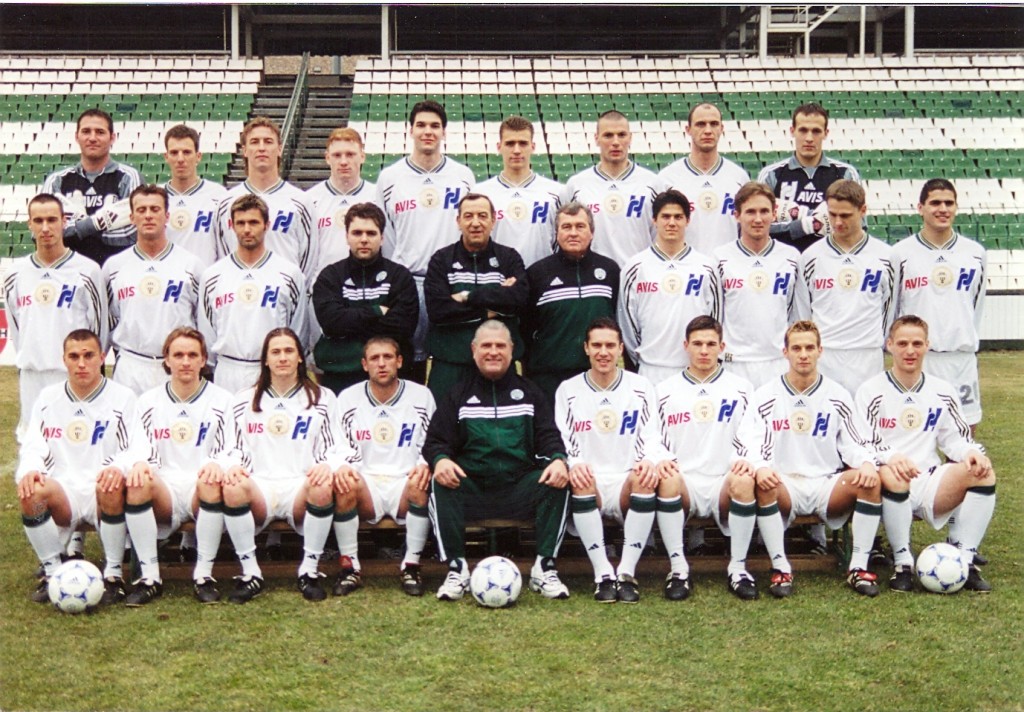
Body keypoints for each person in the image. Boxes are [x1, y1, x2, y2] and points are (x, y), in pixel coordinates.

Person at [425, 320, 571, 601]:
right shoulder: (459, 393)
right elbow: (435, 441)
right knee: (440, 481)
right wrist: (441, 460)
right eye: (486, 346)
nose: (493, 352)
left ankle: (544, 568)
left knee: (557, 481)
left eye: (500, 345)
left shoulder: (529, 393)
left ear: (512, 350)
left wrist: (557, 459)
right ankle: (456, 569)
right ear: (474, 350)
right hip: (473, 489)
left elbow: (549, 436)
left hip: (519, 489)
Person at [212, 328, 360, 603]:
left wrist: (328, 465)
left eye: (289, 351)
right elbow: (228, 447)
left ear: (300, 357)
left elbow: (338, 446)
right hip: (260, 486)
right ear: (265, 360)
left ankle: (309, 571)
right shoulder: (243, 399)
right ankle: (250, 573)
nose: (282, 358)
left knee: (322, 485)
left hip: (299, 487)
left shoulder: (323, 398)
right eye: (276, 352)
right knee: (232, 487)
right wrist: (231, 465)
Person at [739, 320, 883, 597]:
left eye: (809, 348)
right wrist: (760, 467)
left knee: (870, 481)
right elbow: (750, 441)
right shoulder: (766, 395)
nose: (803, 354)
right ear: (785, 352)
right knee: (763, 482)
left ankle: (858, 566)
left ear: (820, 351)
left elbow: (853, 441)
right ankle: (781, 568)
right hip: (784, 484)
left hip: (826, 483)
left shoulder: (838, 395)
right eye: (796, 348)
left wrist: (866, 462)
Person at [856, 315, 995, 593]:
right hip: (887, 482)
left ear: (927, 346)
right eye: (903, 343)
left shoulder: (942, 391)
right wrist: (891, 457)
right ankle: (903, 563)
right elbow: (862, 441)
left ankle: (964, 561)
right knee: (894, 476)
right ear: (889, 345)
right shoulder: (870, 391)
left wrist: (970, 452)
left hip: (930, 481)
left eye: (917, 344)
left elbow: (955, 439)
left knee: (982, 473)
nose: (910, 351)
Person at [117, 328, 243, 605]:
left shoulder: (223, 400)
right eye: (178, 355)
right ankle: (150, 578)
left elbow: (233, 448)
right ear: (167, 359)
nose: (185, 361)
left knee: (210, 481)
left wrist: (217, 463)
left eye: (192, 355)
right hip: (165, 489)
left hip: (202, 489)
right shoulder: (148, 402)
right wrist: (140, 463)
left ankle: (203, 576)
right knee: (137, 482)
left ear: (203, 360)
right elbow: (137, 448)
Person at [555, 318, 675, 603]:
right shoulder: (568, 390)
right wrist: (575, 462)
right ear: (586, 348)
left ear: (621, 348)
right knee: (581, 478)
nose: (603, 352)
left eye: (610, 345)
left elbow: (652, 434)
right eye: (596, 345)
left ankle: (626, 572)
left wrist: (649, 460)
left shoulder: (641, 386)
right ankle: (603, 574)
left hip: (625, 479)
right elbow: (564, 437)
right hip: (592, 481)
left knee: (645, 477)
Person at [15, 329, 137, 604]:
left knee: (111, 484)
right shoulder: (48, 398)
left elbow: (134, 448)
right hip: (65, 490)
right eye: (74, 357)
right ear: (64, 360)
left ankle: (114, 575)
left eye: (88, 355)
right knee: (31, 491)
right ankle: (53, 573)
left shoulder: (123, 397)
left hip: (103, 490)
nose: (81, 363)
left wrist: (118, 468)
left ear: (102, 358)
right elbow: (34, 445)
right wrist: (31, 469)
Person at [656, 316, 759, 600]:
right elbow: (654, 437)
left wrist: (747, 458)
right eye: (698, 343)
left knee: (744, 480)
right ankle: (678, 569)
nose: (704, 350)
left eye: (711, 344)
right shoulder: (664, 390)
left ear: (722, 347)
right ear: (686, 346)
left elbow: (753, 433)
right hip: (685, 482)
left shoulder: (742, 388)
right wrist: (661, 458)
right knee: (667, 479)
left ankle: (738, 569)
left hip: (722, 481)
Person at [376, 100, 475, 381]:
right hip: (408, 281)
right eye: (421, 125)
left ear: (444, 132)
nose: (427, 131)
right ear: (410, 130)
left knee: (453, 359)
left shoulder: (463, 176)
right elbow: (385, 234)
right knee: (410, 362)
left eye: (434, 126)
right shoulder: (390, 178)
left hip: (451, 282)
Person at [334, 337, 437, 596]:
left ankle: (411, 565)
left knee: (420, 482)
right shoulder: (348, 398)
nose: (381, 364)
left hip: (404, 481)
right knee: (344, 484)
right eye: (374, 358)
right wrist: (342, 466)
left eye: (388, 357)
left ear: (399, 361)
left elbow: (432, 441)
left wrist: (424, 464)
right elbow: (338, 444)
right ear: (364, 364)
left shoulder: (421, 396)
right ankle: (350, 567)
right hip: (366, 484)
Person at [3, 193, 106, 442]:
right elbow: (17, 328)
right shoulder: (15, 274)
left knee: (76, 444)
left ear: (63, 221)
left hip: (73, 375)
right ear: (29, 224)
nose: (45, 228)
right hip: (32, 376)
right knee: (35, 447)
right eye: (38, 221)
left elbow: (99, 330)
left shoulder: (87, 271)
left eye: (52, 220)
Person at [891, 179, 986, 430]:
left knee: (964, 432)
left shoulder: (975, 253)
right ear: (920, 208)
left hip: (960, 358)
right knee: (913, 432)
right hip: (919, 358)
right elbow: (894, 310)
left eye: (948, 203)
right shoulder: (900, 254)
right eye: (935, 203)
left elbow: (975, 306)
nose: (942, 209)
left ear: (956, 207)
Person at [424, 193, 528, 402]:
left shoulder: (509, 257)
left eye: (482, 215)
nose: (475, 223)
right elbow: (438, 310)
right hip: (450, 365)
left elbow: (518, 300)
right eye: (468, 216)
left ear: (493, 220)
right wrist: (490, 308)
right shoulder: (441, 259)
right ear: (458, 221)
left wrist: (466, 296)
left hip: (498, 367)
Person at [199, 195, 308, 395]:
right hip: (228, 370)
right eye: (241, 223)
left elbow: (298, 330)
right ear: (231, 226)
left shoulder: (289, 274)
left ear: (267, 225)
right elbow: (207, 332)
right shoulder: (213, 276)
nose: (247, 229)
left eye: (254, 222)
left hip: (273, 371)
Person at [795, 179, 894, 396]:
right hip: (825, 355)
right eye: (832, 214)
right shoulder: (811, 257)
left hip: (867, 356)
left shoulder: (886, 257)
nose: (838, 222)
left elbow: (890, 309)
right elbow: (803, 314)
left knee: (866, 415)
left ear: (863, 211)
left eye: (846, 215)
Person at [103, 185, 203, 394]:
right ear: (132, 217)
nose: (148, 215)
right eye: (141, 210)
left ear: (167, 216)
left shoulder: (191, 265)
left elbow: (201, 320)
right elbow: (108, 320)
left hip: (176, 367)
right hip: (130, 367)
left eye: (155, 209)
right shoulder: (114, 267)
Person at [311, 202, 419, 394]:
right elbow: (331, 322)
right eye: (357, 233)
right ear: (346, 236)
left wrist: (350, 322)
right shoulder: (330, 276)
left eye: (371, 233)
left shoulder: (399, 276)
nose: (363, 239)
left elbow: (403, 326)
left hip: (390, 377)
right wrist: (376, 311)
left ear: (382, 237)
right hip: (341, 374)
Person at [620, 189, 719, 384]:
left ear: (687, 221)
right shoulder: (635, 267)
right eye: (665, 217)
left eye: (678, 217)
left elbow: (715, 320)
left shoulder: (706, 267)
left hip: (695, 370)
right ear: (654, 220)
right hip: (651, 370)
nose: (672, 223)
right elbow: (627, 326)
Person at [522, 202, 620, 401]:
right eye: (566, 227)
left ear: (592, 232)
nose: (573, 233)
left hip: (596, 374)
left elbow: (618, 320)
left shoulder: (610, 270)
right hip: (549, 378)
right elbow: (525, 327)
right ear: (557, 233)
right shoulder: (537, 273)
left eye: (580, 226)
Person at [714, 181, 799, 388]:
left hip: (778, 362)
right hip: (734, 364)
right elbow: (714, 315)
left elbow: (796, 315)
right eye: (750, 212)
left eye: (764, 211)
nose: (758, 219)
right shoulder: (719, 258)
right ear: (737, 215)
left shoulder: (791, 257)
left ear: (774, 214)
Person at [214, 116, 317, 284]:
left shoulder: (301, 202)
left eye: (268, 142)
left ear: (279, 149)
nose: (261, 148)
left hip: (283, 293)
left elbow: (309, 263)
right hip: (239, 290)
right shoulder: (226, 203)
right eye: (254, 142)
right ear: (244, 150)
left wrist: (290, 287)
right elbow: (223, 255)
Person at [562, 110, 668, 267]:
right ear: (596, 139)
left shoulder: (653, 184)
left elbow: (662, 236)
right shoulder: (576, 185)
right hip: (592, 275)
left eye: (622, 135)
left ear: (630, 138)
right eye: (608, 135)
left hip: (639, 274)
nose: (616, 142)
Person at [42, 108, 142, 265]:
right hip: (68, 271)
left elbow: (132, 233)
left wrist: (78, 228)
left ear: (112, 138)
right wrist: (100, 222)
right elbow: (41, 232)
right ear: (77, 136)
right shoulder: (56, 180)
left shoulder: (129, 177)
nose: (93, 138)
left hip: (116, 270)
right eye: (86, 131)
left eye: (100, 132)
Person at [757, 103, 861, 252]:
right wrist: (809, 224)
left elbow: (859, 226)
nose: (809, 138)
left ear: (826, 133)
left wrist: (797, 218)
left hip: (831, 260)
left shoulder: (845, 173)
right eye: (803, 130)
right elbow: (759, 228)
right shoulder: (771, 174)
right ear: (792, 131)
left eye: (816, 131)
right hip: (784, 260)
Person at [659, 103, 750, 254]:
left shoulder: (739, 177)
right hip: (684, 266)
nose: (708, 130)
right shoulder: (667, 178)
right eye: (700, 124)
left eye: (714, 124)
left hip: (728, 265)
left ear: (721, 128)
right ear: (688, 129)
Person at [476, 115, 562, 267]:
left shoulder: (557, 193)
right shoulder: (481, 194)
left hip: (542, 277)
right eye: (510, 144)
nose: (516, 150)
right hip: (496, 277)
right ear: (499, 147)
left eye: (523, 143)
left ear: (533, 147)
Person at [307, 127, 380, 277]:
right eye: (337, 155)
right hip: (324, 285)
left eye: (350, 154)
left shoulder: (378, 197)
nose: (344, 161)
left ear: (362, 157)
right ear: (327, 158)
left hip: (368, 284)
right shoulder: (309, 200)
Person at [162, 123, 228, 270]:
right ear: (166, 157)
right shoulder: (155, 197)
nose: (180, 159)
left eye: (187, 152)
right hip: (166, 280)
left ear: (198, 157)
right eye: (174, 153)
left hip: (205, 280)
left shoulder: (219, 196)